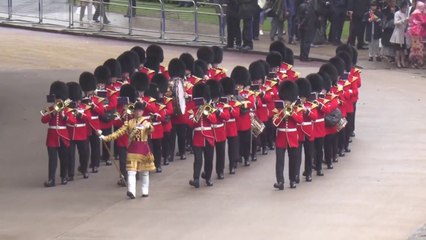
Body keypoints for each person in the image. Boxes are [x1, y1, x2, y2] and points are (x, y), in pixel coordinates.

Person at [101, 102, 155, 199]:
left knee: (145, 172)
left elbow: (151, 130)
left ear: (142, 112)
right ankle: (131, 191)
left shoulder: (146, 122)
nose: (138, 112)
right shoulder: (129, 123)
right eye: (137, 111)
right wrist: (106, 138)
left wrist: (149, 127)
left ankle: (145, 190)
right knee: (131, 171)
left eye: (140, 111)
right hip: (133, 149)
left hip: (143, 148)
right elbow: (119, 132)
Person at [41, 81, 77, 187]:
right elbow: (43, 119)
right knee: (52, 160)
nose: (58, 100)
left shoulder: (67, 109)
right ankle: (51, 179)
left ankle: (63, 177)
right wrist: (53, 112)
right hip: (52, 137)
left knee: (64, 158)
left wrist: (63, 115)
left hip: (63, 136)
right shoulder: (49, 109)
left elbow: (73, 121)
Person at [272, 81, 303, 190]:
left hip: (293, 137)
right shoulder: (278, 109)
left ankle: (292, 180)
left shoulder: (297, 108)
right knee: (279, 161)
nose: (286, 102)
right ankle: (280, 181)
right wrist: (281, 115)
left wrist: (291, 113)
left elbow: (300, 120)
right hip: (281, 137)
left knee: (293, 160)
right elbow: (274, 123)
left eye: (288, 100)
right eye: (285, 100)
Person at [187, 83, 218, 188]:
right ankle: (196, 179)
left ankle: (208, 178)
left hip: (208, 137)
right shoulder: (193, 110)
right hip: (197, 138)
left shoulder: (209, 108)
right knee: (198, 160)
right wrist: (198, 113)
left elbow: (214, 120)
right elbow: (191, 124)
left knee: (209, 159)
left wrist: (206, 113)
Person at [66, 82, 91, 181]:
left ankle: (84, 170)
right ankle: (70, 173)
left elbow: (88, 118)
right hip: (70, 133)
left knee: (84, 153)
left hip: (82, 133)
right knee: (70, 155)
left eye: (77, 100)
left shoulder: (84, 107)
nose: (77, 102)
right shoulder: (67, 107)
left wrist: (79, 114)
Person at [220, 77, 241, 174]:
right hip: (222, 126)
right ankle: (220, 168)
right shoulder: (220, 102)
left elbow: (236, 114)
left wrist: (230, 108)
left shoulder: (234, 102)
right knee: (221, 150)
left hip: (232, 126)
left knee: (232, 148)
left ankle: (232, 165)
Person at [407, 1, 426, 68]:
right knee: (418, 48)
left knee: (415, 48)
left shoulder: (415, 12)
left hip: (415, 32)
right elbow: (423, 21)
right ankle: (417, 63)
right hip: (418, 32)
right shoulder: (418, 13)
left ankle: (415, 63)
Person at [390, 1, 409, 68]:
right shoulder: (397, 13)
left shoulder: (406, 14)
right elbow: (395, 22)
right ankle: (397, 62)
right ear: (401, 7)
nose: (405, 9)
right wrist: (403, 20)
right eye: (404, 8)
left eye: (406, 8)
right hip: (398, 33)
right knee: (398, 49)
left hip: (403, 33)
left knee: (403, 49)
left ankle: (402, 62)